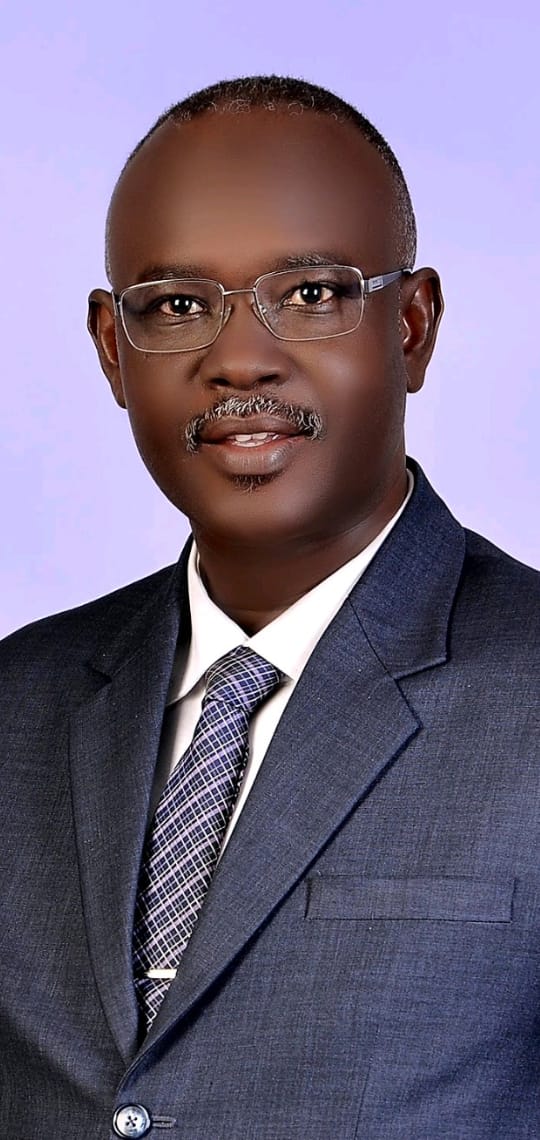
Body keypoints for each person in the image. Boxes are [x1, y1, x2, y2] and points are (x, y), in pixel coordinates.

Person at [0, 74, 538, 1140]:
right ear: (111, 348)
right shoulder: (19, 701)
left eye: (311, 294)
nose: (240, 359)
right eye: (177, 306)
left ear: (413, 326)